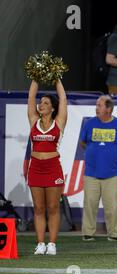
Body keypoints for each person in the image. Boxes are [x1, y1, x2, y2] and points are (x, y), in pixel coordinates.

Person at [80, 95, 117, 241]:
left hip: (113, 173)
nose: (96, 108)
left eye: (99, 105)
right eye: (96, 105)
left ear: (108, 108)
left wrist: (112, 153)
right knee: (89, 204)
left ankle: (114, 235)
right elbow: (83, 142)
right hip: (91, 172)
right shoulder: (89, 123)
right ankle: (88, 233)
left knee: (113, 207)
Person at [27, 79, 67, 255]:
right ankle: (40, 243)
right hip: (35, 168)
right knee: (38, 208)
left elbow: (63, 98)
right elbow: (30, 96)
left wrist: (56, 78)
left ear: (52, 108)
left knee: (53, 207)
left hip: (52, 168)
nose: (41, 105)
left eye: (46, 103)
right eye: (40, 102)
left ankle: (52, 244)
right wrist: (36, 76)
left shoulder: (58, 123)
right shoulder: (33, 120)